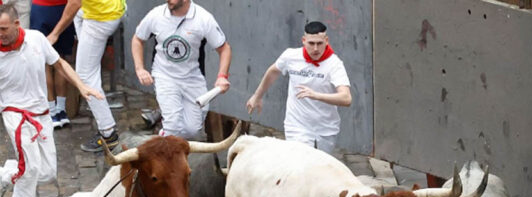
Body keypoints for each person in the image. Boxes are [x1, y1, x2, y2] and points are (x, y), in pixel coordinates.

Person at [0, 3, 102, 197]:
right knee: (30, 169)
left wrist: (82, 87)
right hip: (15, 115)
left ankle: (6, 174)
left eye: (4, 29)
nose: (0, 34)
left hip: (42, 113)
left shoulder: (36, 39)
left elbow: (59, 64)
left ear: (17, 25)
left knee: (46, 172)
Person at [246, 21, 351, 154]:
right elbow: (273, 72)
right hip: (297, 126)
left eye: (319, 43)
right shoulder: (290, 56)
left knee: (318, 170)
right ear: (303, 40)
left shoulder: (334, 64)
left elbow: (346, 98)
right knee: (301, 164)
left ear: (326, 40)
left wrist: (316, 95)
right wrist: (257, 96)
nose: (316, 49)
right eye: (311, 43)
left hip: (325, 129)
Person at [132, 0, 232, 139]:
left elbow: (224, 49)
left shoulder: (203, 18)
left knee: (193, 130)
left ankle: (165, 131)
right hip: (164, 75)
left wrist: (222, 76)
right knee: (173, 127)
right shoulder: (156, 15)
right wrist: (140, 69)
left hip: (192, 78)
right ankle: (166, 144)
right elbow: (138, 39)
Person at [45, 0, 124, 151]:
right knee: (89, 67)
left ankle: (108, 134)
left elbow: (75, 3)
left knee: (85, 76)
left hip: (101, 16)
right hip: (101, 9)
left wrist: (55, 34)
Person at [29, 0, 75, 128]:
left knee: (45, 62)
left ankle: (51, 110)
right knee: (60, 59)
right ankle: (61, 110)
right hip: (63, 9)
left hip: (41, 8)